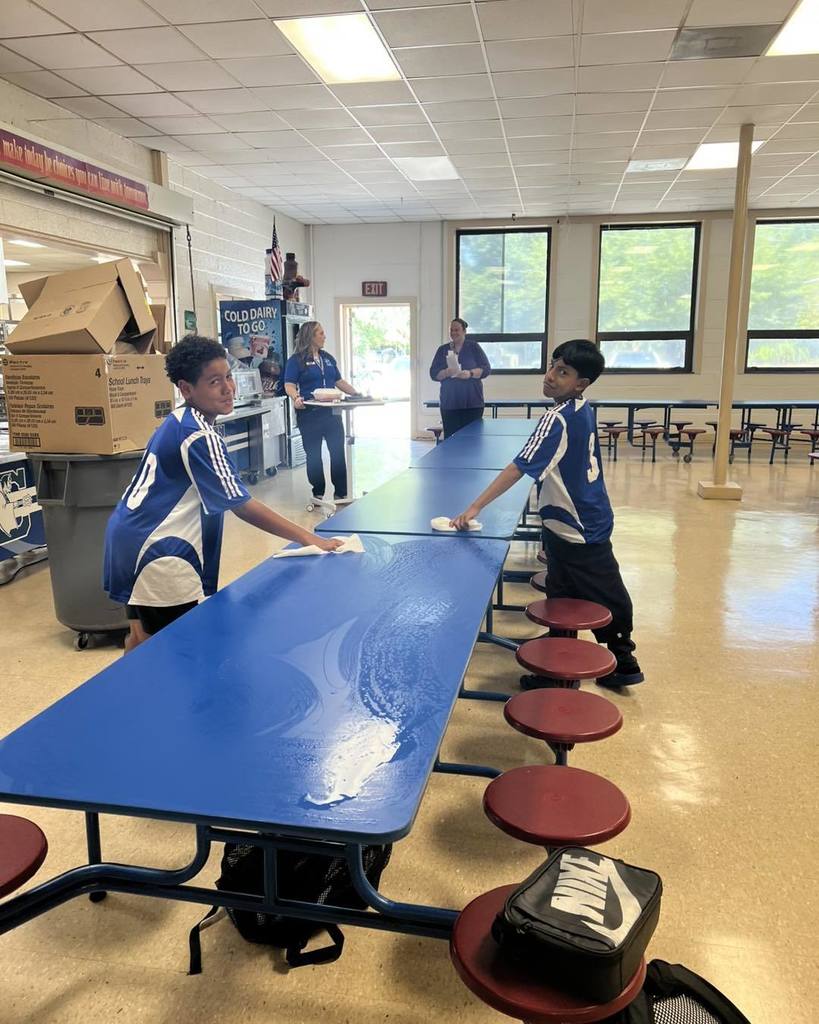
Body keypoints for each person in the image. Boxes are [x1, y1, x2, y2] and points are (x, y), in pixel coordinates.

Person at [103, 335, 342, 653]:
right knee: (175, 653)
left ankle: (128, 699)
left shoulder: (178, 420)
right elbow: (243, 505)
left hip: (127, 538)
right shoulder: (199, 435)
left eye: (228, 376)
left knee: (139, 641)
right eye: (214, 382)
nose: (228, 388)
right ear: (187, 389)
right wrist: (312, 539)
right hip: (160, 554)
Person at [450, 339, 643, 689]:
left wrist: (474, 506)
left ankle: (624, 658)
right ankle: (558, 668)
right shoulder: (582, 408)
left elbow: (517, 468)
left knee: (605, 592)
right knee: (561, 595)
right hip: (570, 522)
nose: (551, 376)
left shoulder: (555, 418)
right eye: (553, 366)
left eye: (563, 372)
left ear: (581, 383)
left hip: (579, 526)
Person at [283, 321, 359, 505]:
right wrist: (296, 398)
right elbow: (289, 384)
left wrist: (357, 394)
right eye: (321, 333)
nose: (324, 336)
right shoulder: (296, 360)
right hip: (310, 414)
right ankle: (318, 492)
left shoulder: (328, 358)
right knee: (314, 454)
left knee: (337, 452)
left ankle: (341, 493)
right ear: (310, 336)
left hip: (332, 413)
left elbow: (339, 381)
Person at [429, 318, 491, 438]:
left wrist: (470, 373)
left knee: (473, 439)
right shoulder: (442, 350)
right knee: (451, 439)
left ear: (464, 331)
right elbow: (433, 374)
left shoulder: (474, 347)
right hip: (450, 403)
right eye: (451, 330)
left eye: (457, 329)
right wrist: (446, 372)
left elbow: (486, 369)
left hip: (472, 403)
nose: (453, 333)